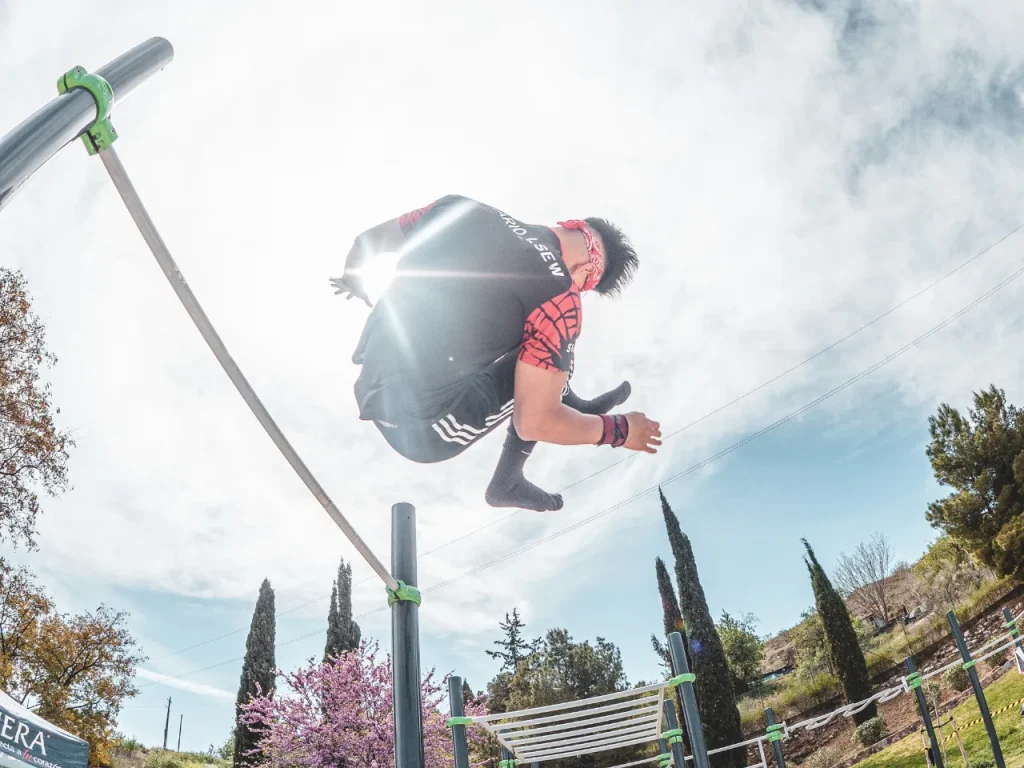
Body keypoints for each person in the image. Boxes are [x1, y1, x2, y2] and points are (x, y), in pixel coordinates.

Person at [331, 194, 661, 511]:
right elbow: (533, 423)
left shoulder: (459, 206)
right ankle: (508, 479)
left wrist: (352, 281)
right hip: (422, 428)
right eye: (584, 289)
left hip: (370, 388)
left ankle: (571, 401)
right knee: (556, 357)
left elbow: (364, 243)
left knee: (539, 351)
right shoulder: (561, 296)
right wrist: (620, 431)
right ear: (587, 272)